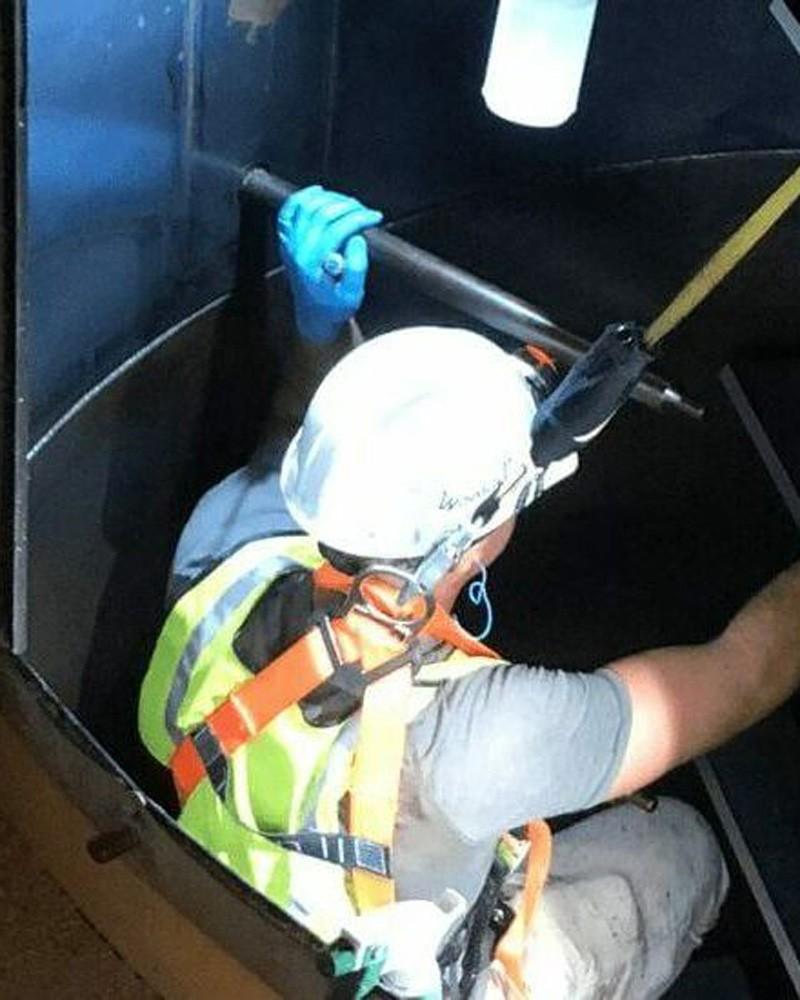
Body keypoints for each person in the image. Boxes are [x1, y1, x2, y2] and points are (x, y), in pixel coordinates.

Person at [139, 186, 800, 999]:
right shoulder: (485, 736)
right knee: (683, 852)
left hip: (253, 912)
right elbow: (748, 673)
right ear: (470, 536)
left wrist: (318, 331)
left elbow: (286, 448)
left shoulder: (226, 543)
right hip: (411, 967)